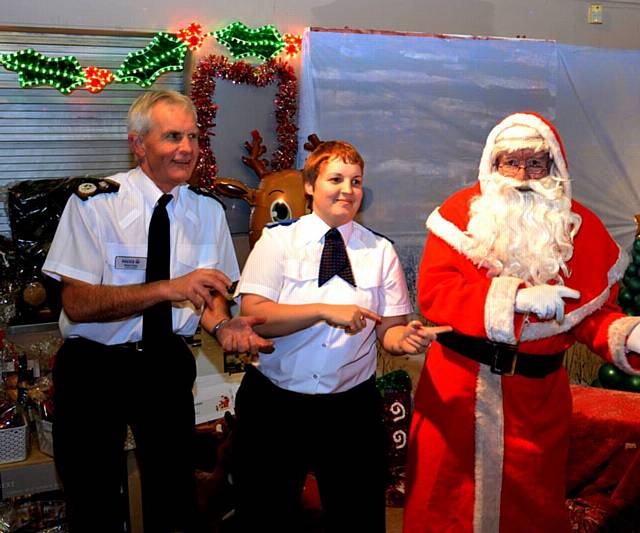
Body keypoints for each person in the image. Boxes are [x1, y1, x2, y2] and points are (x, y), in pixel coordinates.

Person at [42, 90, 272, 533]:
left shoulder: (207, 211)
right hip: (93, 367)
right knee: (93, 502)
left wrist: (224, 327)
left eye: (193, 137)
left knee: (174, 499)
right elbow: (78, 303)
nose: (186, 148)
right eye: (172, 136)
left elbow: (212, 296)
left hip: (164, 364)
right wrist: (169, 288)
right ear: (138, 144)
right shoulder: (95, 204)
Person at [403, 112, 640, 533]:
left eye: (535, 163)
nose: (523, 175)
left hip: (537, 402)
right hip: (457, 392)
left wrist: (626, 335)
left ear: (555, 168)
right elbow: (436, 296)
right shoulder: (458, 216)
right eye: (511, 163)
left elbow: (591, 316)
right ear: (492, 165)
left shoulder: (579, 230)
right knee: (446, 506)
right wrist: (514, 299)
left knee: (529, 508)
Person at [231, 140, 451, 532]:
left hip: (351, 411)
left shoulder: (380, 250)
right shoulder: (278, 241)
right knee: (265, 516)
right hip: (276, 406)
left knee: (358, 518)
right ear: (311, 185)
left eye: (356, 181)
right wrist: (322, 310)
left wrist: (405, 338)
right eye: (336, 179)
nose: (347, 190)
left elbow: (391, 328)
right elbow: (254, 316)